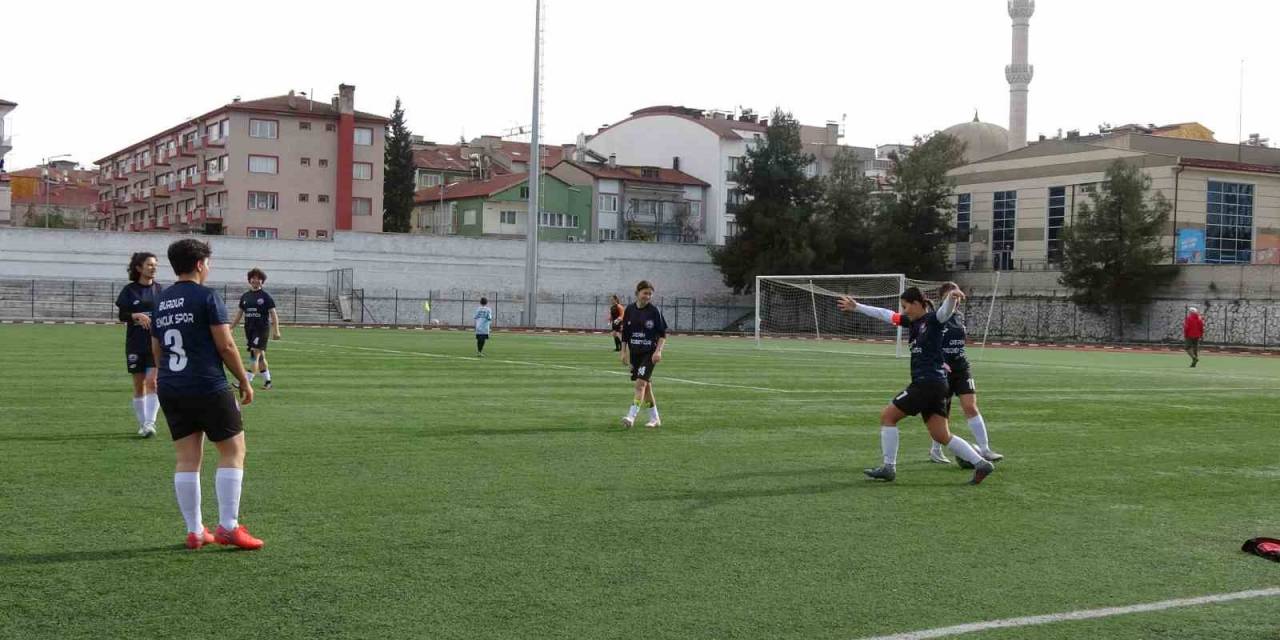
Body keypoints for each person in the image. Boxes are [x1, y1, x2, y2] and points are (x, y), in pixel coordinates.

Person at [151, 239, 262, 550]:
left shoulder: (160, 301)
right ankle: (228, 527)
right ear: (200, 264)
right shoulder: (207, 296)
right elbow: (225, 345)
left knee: (187, 459)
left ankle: (195, 531)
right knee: (233, 452)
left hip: (171, 386)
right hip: (207, 384)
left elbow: (156, 347)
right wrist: (244, 379)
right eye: (208, 263)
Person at [836, 287, 995, 485]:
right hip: (936, 384)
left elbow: (944, 311)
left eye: (905, 306)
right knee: (941, 434)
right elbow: (886, 315)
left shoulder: (933, 320)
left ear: (918, 303)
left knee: (888, 416)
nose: (903, 311)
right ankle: (981, 463)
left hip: (926, 383)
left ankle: (888, 467)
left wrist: (952, 299)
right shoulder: (912, 322)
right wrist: (857, 307)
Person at [926, 282, 1003, 467]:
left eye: (958, 296)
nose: (956, 300)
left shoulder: (959, 316)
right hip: (942, 370)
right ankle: (936, 450)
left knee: (971, 406)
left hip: (961, 367)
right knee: (943, 412)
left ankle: (984, 449)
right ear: (942, 298)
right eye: (951, 296)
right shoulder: (936, 317)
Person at [116, 252, 164, 438]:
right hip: (135, 343)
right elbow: (122, 316)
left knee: (153, 382)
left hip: (156, 343)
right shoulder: (129, 291)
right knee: (139, 385)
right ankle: (143, 423)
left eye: (155, 265)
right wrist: (136, 315)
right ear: (139, 268)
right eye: (149, 265)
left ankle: (150, 424)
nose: (154, 268)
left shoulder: (161, 291)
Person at [620, 281, 667, 429]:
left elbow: (662, 335)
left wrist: (658, 351)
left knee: (640, 384)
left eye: (650, 294)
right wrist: (623, 352)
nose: (647, 296)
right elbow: (625, 334)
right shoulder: (629, 310)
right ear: (637, 293)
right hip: (635, 354)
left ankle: (631, 416)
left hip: (649, 354)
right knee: (646, 387)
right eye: (645, 293)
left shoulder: (654, 311)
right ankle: (655, 418)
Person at [229, 268, 281, 389]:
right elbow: (239, 313)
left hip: (261, 329)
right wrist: (231, 327)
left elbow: (273, 314)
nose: (255, 280)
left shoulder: (266, 296)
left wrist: (276, 330)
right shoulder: (245, 296)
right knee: (261, 356)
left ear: (262, 281)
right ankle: (268, 382)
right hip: (249, 330)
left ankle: (245, 382)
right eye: (253, 278)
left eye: (259, 278)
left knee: (254, 354)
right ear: (249, 280)